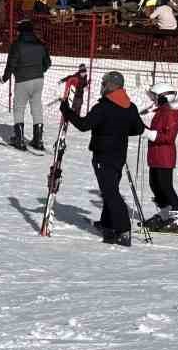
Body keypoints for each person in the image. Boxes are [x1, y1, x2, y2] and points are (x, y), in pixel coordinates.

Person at [62, 70, 145, 245]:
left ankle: (123, 230)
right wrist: (119, 130)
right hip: (118, 156)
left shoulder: (103, 107)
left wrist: (67, 112)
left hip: (103, 156)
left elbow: (84, 125)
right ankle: (108, 224)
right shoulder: (130, 106)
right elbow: (138, 128)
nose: (101, 86)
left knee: (111, 193)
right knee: (110, 190)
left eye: (103, 83)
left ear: (110, 86)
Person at [2, 18, 51, 151]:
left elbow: (11, 63)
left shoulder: (17, 45)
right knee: (36, 107)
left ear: (20, 31)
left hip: (23, 80)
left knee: (19, 108)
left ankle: (19, 139)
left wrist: (5, 78)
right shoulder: (40, 44)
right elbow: (48, 63)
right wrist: (40, 70)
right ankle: (38, 140)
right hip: (38, 79)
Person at [144, 90, 178, 230]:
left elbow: (169, 137)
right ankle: (165, 213)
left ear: (164, 97)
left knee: (165, 186)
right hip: (155, 155)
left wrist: (150, 134)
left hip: (165, 156)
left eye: (156, 97)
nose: (154, 100)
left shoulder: (170, 114)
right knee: (154, 184)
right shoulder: (161, 111)